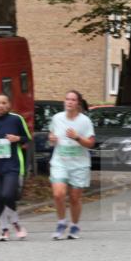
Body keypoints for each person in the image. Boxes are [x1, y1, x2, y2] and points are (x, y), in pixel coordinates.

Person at [0, 94, 32, 241]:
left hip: (12, 164)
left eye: (4, 103)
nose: (1, 105)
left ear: (9, 104)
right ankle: (4, 229)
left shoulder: (16, 119)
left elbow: (27, 138)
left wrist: (17, 139)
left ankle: (15, 222)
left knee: (8, 194)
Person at [48, 90, 95, 240]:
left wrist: (77, 137)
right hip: (60, 162)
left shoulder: (85, 121)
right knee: (58, 194)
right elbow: (51, 137)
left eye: (73, 100)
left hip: (79, 164)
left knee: (75, 198)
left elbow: (91, 143)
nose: (69, 102)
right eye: (67, 99)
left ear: (78, 103)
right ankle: (61, 222)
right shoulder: (57, 118)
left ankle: (74, 225)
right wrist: (52, 139)